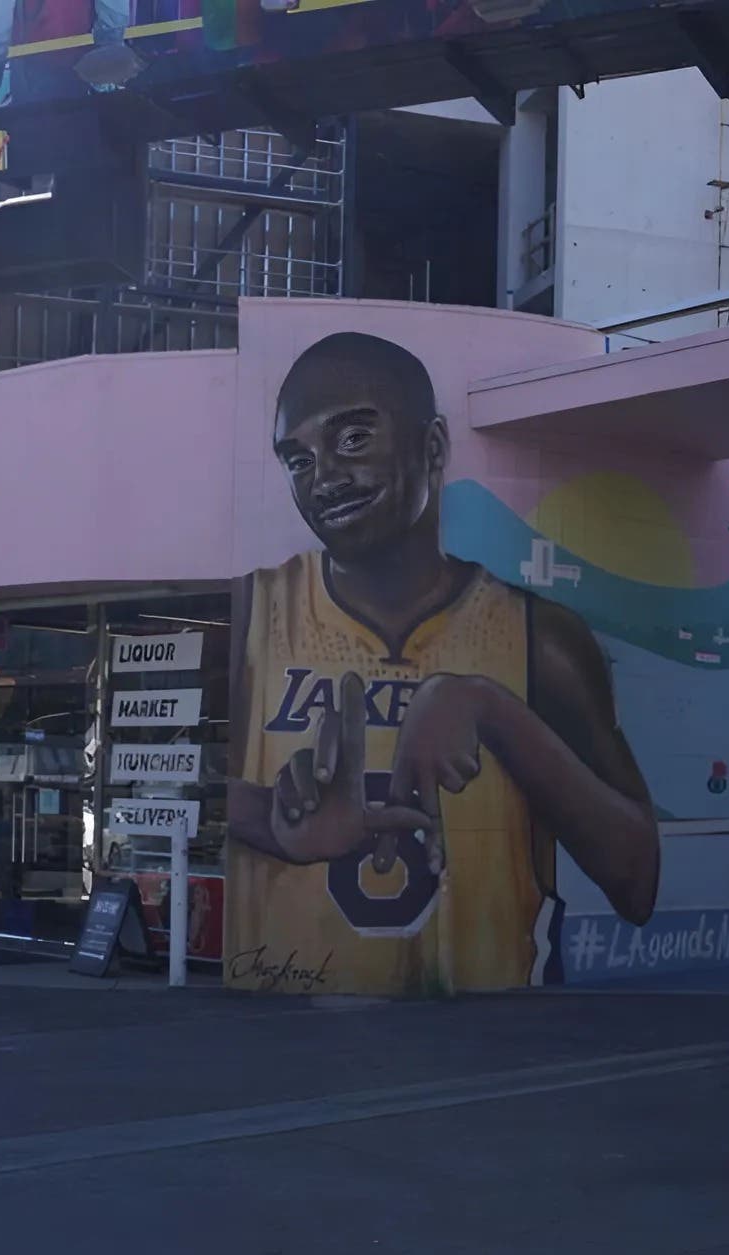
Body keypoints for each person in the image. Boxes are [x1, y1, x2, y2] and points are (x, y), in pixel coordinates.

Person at [226, 331, 660, 995]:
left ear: (431, 448)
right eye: (298, 460)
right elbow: (159, 791)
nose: (325, 479)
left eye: (351, 440)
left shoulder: (539, 635)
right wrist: (272, 824)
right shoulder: (255, 613)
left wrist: (491, 709)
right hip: (289, 1035)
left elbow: (638, 880)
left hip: (491, 1044)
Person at [0, 0, 141, 110]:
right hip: (79, 56)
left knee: (29, 147)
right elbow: (113, 10)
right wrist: (109, 47)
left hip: (31, 58)